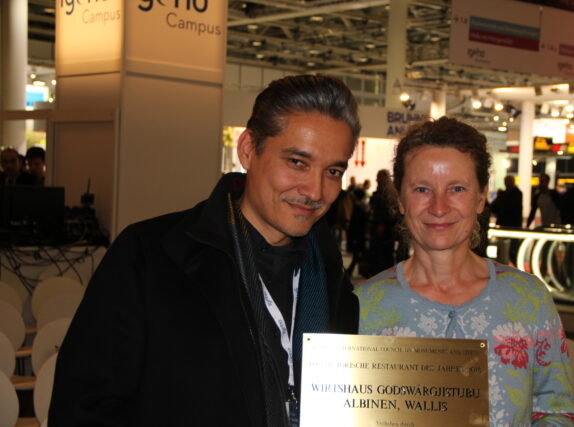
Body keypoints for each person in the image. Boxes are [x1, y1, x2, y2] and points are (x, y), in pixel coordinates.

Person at [49, 75, 361, 426]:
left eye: (333, 171)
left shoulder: (331, 281)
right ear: (248, 149)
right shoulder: (150, 256)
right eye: (297, 162)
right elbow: (82, 407)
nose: (315, 191)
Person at [355, 117, 574, 426]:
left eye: (457, 189)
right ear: (400, 199)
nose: (439, 207)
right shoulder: (364, 306)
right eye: (422, 189)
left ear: (481, 196)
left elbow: (559, 412)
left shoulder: (528, 299)